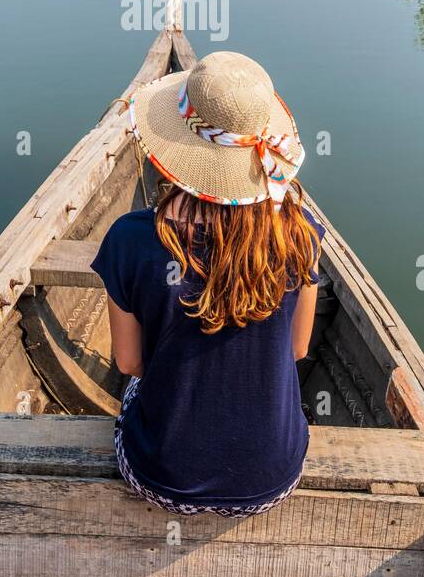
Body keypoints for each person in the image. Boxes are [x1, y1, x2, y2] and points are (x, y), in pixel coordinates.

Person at [91, 49, 324, 517]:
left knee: (134, 393)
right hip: (273, 480)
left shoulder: (130, 239)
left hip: (162, 477)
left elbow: (130, 361)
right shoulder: (302, 233)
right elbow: (297, 351)